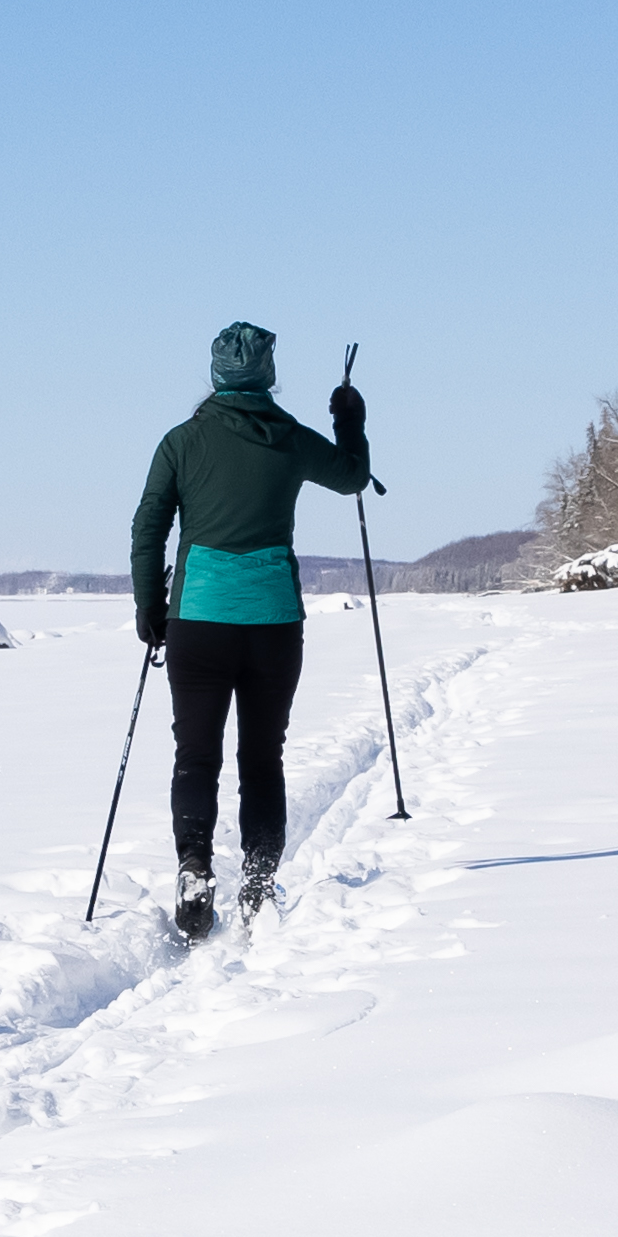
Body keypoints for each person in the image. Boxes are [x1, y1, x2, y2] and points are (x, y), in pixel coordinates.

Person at [126, 322, 376, 936]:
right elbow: (350, 477)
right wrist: (350, 417)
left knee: (196, 757)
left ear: (216, 374)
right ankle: (259, 881)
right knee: (263, 757)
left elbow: (148, 528)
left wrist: (150, 610)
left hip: (198, 621)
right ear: (267, 375)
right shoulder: (288, 438)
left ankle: (193, 866)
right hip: (272, 623)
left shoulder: (181, 442)